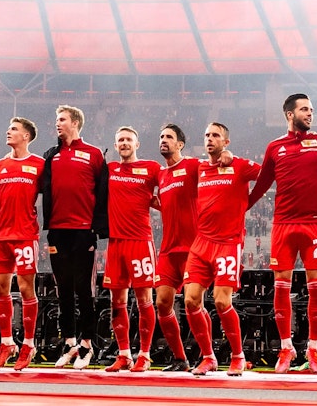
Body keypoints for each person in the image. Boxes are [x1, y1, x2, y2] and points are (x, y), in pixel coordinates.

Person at [249, 93, 317, 373]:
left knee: (316, 283)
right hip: (282, 224)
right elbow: (262, 184)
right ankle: (286, 347)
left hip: (314, 223)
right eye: (305, 109)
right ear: (289, 114)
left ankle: (314, 349)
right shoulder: (275, 147)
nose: (310, 113)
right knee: (282, 284)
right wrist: (242, 208)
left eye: (311, 109)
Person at [183, 122, 262, 376]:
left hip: (228, 242)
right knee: (191, 301)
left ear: (225, 142)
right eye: (206, 135)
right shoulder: (199, 167)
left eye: (215, 135)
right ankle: (208, 357)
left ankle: (238, 356)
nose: (210, 139)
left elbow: (267, 173)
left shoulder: (238, 165)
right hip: (200, 243)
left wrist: (248, 202)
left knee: (220, 300)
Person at [38, 105, 109, 369]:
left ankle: (88, 345)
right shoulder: (51, 155)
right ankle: (69, 344)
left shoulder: (93, 154)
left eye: (62, 120)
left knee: (84, 290)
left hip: (84, 231)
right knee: (63, 290)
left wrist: (98, 228)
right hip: (57, 230)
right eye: (57, 119)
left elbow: (103, 194)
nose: (57, 124)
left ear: (75, 123)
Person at [102, 127, 163, 372]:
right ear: (116, 146)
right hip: (115, 243)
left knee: (144, 300)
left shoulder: (151, 169)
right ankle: (124, 353)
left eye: (128, 139)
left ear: (137, 144)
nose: (124, 143)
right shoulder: (109, 170)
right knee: (117, 301)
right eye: (120, 140)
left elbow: (170, 188)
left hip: (140, 241)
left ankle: (145, 355)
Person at [0, 120, 44, 370]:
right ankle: (7, 343)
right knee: (0, 289)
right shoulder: (0, 165)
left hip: (25, 235)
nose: (8, 131)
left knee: (25, 288)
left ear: (26, 136)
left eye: (13, 129)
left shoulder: (39, 165)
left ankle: (29, 344)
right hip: (1, 236)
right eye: (8, 127)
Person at [152, 124, 198, 372]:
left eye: (168, 137)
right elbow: (171, 205)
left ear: (180, 144)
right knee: (162, 303)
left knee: (193, 303)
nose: (163, 140)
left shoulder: (192, 166)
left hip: (193, 249)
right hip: (168, 250)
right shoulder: (160, 175)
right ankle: (180, 359)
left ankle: (209, 356)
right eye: (161, 136)